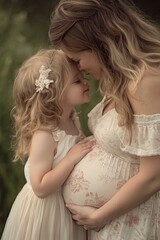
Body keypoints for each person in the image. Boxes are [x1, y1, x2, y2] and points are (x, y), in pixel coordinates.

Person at [48, 0, 160, 239]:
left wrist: (100, 216)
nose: (78, 68)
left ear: (101, 44)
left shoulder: (147, 80)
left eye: (77, 59)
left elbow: (154, 175)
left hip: (133, 222)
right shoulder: (118, 80)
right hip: (113, 222)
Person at [1, 48, 95, 240]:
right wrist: (71, 158)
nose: (86, 82)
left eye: (82, 77)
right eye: (77, 81)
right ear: (54, 93)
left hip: (65, 209)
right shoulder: (45, 134)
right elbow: (40, 187)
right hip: (46, 214)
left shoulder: (71, 119)